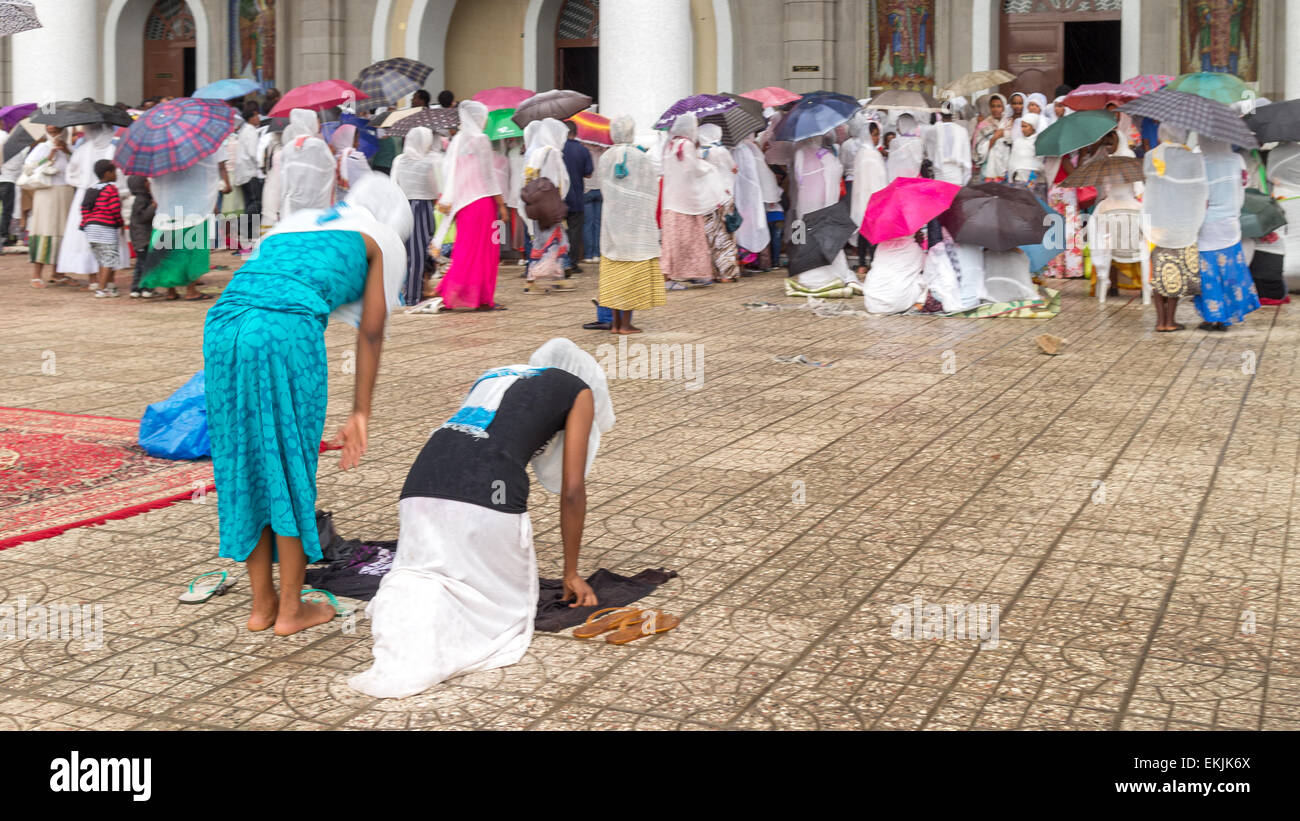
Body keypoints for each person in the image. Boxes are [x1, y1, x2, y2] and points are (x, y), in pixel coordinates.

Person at [203, 174, 412, 636]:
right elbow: (371, 331)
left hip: (221, 326)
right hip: (282, 334)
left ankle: (262, 606)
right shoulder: (379, 239)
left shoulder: (296, 222)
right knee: (288, 464)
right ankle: (292, 609)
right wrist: (361, 412)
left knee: (246, 463)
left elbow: (262, 279)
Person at [349, 338, 612, 698]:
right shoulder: (579, 390)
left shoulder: (496, 375)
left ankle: (411, 620)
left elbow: (475, 437)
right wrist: (571, 572)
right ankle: (432, 640)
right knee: (499, 605)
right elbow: (571, 490)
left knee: (432, 572)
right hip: (486, 494)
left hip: (419, 486)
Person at [434, 100, 508, 310]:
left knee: (465, 249)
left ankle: (458, 292)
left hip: (463, 205)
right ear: (477, 118)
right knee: (485, 251)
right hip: (482, 203)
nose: (485, 121)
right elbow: (489, 175)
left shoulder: (458, 140)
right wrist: (501, 204)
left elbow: (450, 173)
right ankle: (481, 296)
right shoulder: (480, 139)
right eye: (483, 117)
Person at [596, 115, 666, 334]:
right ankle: (626, 324)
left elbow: (603, 186)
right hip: (636, 226)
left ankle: (616, 324)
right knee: (633, 276)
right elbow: (649, 189)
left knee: (614, 276)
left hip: (612, 224)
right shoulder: (640, 156)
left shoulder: (606, 157)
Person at [1143, 123, 1208, 333]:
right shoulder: (1193, 158)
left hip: (1157, 223)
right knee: (1175, 275)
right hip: (1182, 224)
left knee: (1159, 274)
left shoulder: (1151, 156)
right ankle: (1170, 320)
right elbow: (1200, 191)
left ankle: (1160, 321)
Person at [140, 151, 226, 301]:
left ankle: (171, 291)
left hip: (167, 210)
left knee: (166, 252)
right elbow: (207, 178)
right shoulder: (197, 152)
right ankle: (191, 290)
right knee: (191, 251)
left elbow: (149, 182)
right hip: (192, 208)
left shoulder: (159, 153)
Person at [1193, 136, 1259, 331]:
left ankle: (1211, 316)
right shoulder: (1236, 160)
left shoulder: (1201, 163)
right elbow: (1242, 188)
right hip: (1231, 222)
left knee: (1208, 272)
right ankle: (1227, 316)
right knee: (1230, 270)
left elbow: (1200, 196)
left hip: (1208, 224)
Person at [57, 124, 129, 283]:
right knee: (110, 240)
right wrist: (121, 192)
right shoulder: (114, 150)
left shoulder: (83, 149)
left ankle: (94, 280)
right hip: (108, 196)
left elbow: (71, 173)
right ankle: (108, 282)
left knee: (86, 239)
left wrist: (82, 184)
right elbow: (122, 178)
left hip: (87, 197)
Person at [660, 113, 721, 287]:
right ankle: (689, 274)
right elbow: (693, 169)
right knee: (690, 240)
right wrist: (707, 166)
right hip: (686, 200)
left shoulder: (670, 144)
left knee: (673, 240)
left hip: (672, 199)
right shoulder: (686, 145)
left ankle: (677, 275)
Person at [390, 125, 443, 304]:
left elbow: (393, 183)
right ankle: (412, 295)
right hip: (423, 207)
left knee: (412, 252)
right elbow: (436, 187)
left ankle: (418, 289)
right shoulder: (429, 162)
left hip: (403, 206)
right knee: (419, 253)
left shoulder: (399, 159)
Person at [521, 117, 574, 293]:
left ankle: (555, 278)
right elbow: (555, 181)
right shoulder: (552, 153)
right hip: (550, 205)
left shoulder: (535, 153)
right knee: (552, 241)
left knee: (546, 240)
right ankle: (536, 278)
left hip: (537, 206)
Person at [24, 126, 75, 287]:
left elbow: (77, 167)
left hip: (65, 192)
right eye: (52, 132)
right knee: (45, 229)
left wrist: (67, 151)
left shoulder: (69, 149)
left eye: (57, 131)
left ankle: (58, 273)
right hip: (47, 193)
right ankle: (36, 275)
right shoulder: (42, 147)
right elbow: (28, 168)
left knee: (62, 231)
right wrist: (49, 156)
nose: (55, 135)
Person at [733, 131, 782, 271]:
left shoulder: (733, 149)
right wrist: (773, 195)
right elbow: (764, 174)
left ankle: (743, 264)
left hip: (738, 197)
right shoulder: (752, 149)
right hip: (753, 196)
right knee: (757, 227)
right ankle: (763, 262)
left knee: (739, 228)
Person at [698, 123, 740, 283]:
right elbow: (734, 169)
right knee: (726, 235)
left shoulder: (698, 152)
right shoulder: (721, 151)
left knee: (710, 235)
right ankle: (727, 273)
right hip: (724, 198)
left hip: (707, 200)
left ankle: (712, 271)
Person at [80, 159, 127, 298]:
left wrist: (86, 224)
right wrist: (120, 223)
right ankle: (101, 289)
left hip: (91, 229)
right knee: (109, 258)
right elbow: (114, 209)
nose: (116, 174)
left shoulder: (91, 189)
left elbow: (84, 209)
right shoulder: (111, 189)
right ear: (108, 173)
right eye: (114, 172)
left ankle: (107, 286)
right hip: (106, 228)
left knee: (102, 259)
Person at [850, 122, 889, 277]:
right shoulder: (873, 154)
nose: (877, 138)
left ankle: (861, 263)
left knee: (863, 232)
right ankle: (873, 262)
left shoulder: (860, 153)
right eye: (875, 135)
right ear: (868, 135)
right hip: (873, 198)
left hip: (861, 199)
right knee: (873, 233)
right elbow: (880, 178)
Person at [561, 119, 594, 274]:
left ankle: (562, 261)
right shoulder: (583, 150)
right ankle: (573, 263)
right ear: (576, 133)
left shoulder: (557, 149)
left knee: (560, 230)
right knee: (575, 232)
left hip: (560, 198)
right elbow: (588, 173)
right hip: (577, 197)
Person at [233, 101, 264, 250]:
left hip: (243, 172)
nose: (259, 118)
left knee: (250, 203)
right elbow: (253, 153)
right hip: (250, 172)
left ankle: (249, 235)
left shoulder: (244, 130)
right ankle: (239, 224)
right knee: (256, 203)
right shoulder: (251, 131)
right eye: (257, 115)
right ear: (252, 116)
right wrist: (262, 164)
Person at [125, 175, 156, 298]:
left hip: (140, 238)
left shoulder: (141, 198)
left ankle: (136, 288)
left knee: (140, 264)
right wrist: (153, 206)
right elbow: (143, 217)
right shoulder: (141, 199)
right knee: (147, 264)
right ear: (142, 185)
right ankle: (147, 288)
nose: (149, 183)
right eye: (147, 181)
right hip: (143, 238)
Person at [330, 124, 371, 202]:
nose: (358, 144)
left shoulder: (330, 159)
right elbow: (369, 184)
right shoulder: (357, 158)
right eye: (355, 140)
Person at [886, 114, 924, 180]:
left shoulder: (895, 142)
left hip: (899, 178)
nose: (897, 128)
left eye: (898, 125)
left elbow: (891, 163)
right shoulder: (919, 141)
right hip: (915, 178)